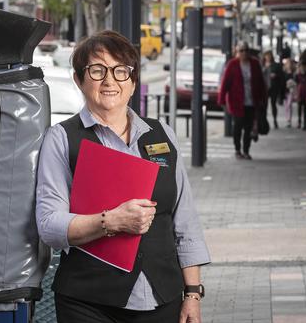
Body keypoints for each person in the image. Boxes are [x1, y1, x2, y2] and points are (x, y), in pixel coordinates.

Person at [36, 30, 210, 323]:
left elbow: (185, 221)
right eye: (97, 70)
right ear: (79, 80)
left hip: (162, 297)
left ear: (132, 82)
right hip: (89, 303)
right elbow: (49, 225)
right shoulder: (62, 138)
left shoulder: (162, 134)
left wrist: (192, 293)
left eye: (120, 71)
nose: (109, 81)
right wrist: (109, 221)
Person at [218, 42, 267, 160]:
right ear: (237, 52)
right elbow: (225, 83)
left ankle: (246, 150)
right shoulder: (232, 64)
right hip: (236, 102)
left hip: (252, 101)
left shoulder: (255, 64)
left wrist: (263, 100)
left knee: (248, 128)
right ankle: (237, 150)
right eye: (241, 51)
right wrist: (222, 100)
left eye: (246, 50)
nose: (244, 53)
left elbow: (261, 83)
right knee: (238, 127)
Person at [262, 51, 285, 128]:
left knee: (273, 104)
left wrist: (276, 75)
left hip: (273, 87)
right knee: (264, 105)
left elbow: (281, 76)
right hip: (264, 88)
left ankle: (275, 120)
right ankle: (264, 120)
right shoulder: (262, 65)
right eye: (266, 56)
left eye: (269, 56)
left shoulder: (276, 65)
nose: (268, 57)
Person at [295, 59, 306, 130]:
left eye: (303, 66)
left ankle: (304, 123)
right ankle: (299, 121)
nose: (302, 67)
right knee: (299, 108)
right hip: (299, 92)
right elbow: (295, 84)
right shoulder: (297, 75)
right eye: (301, 66)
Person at [283, 58, 297, 128]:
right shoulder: (284, 72)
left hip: (291, 90)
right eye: (288, 63)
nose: (289, 65)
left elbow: (296, 81)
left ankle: (289, 119)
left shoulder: (294, 73)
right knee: (286, 106)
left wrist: (293, 84)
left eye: (290, 63)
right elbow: (282, 81)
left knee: (289, 105)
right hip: (285, 90)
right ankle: (287, 119)